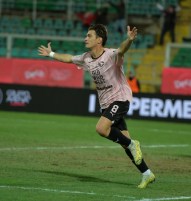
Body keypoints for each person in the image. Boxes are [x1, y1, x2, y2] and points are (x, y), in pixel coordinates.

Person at [38, 24, 155, 188]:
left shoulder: (111, 55)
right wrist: (50, 53)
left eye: (89, 35)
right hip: (106, 103)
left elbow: (122, 50)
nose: (85, 38)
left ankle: (132, 144)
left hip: (120, 99)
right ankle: (146, 173)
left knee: (101, 129)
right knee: (124, 142)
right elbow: (69, 58)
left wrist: (129, 40)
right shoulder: (86, 57)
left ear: (99, 40)